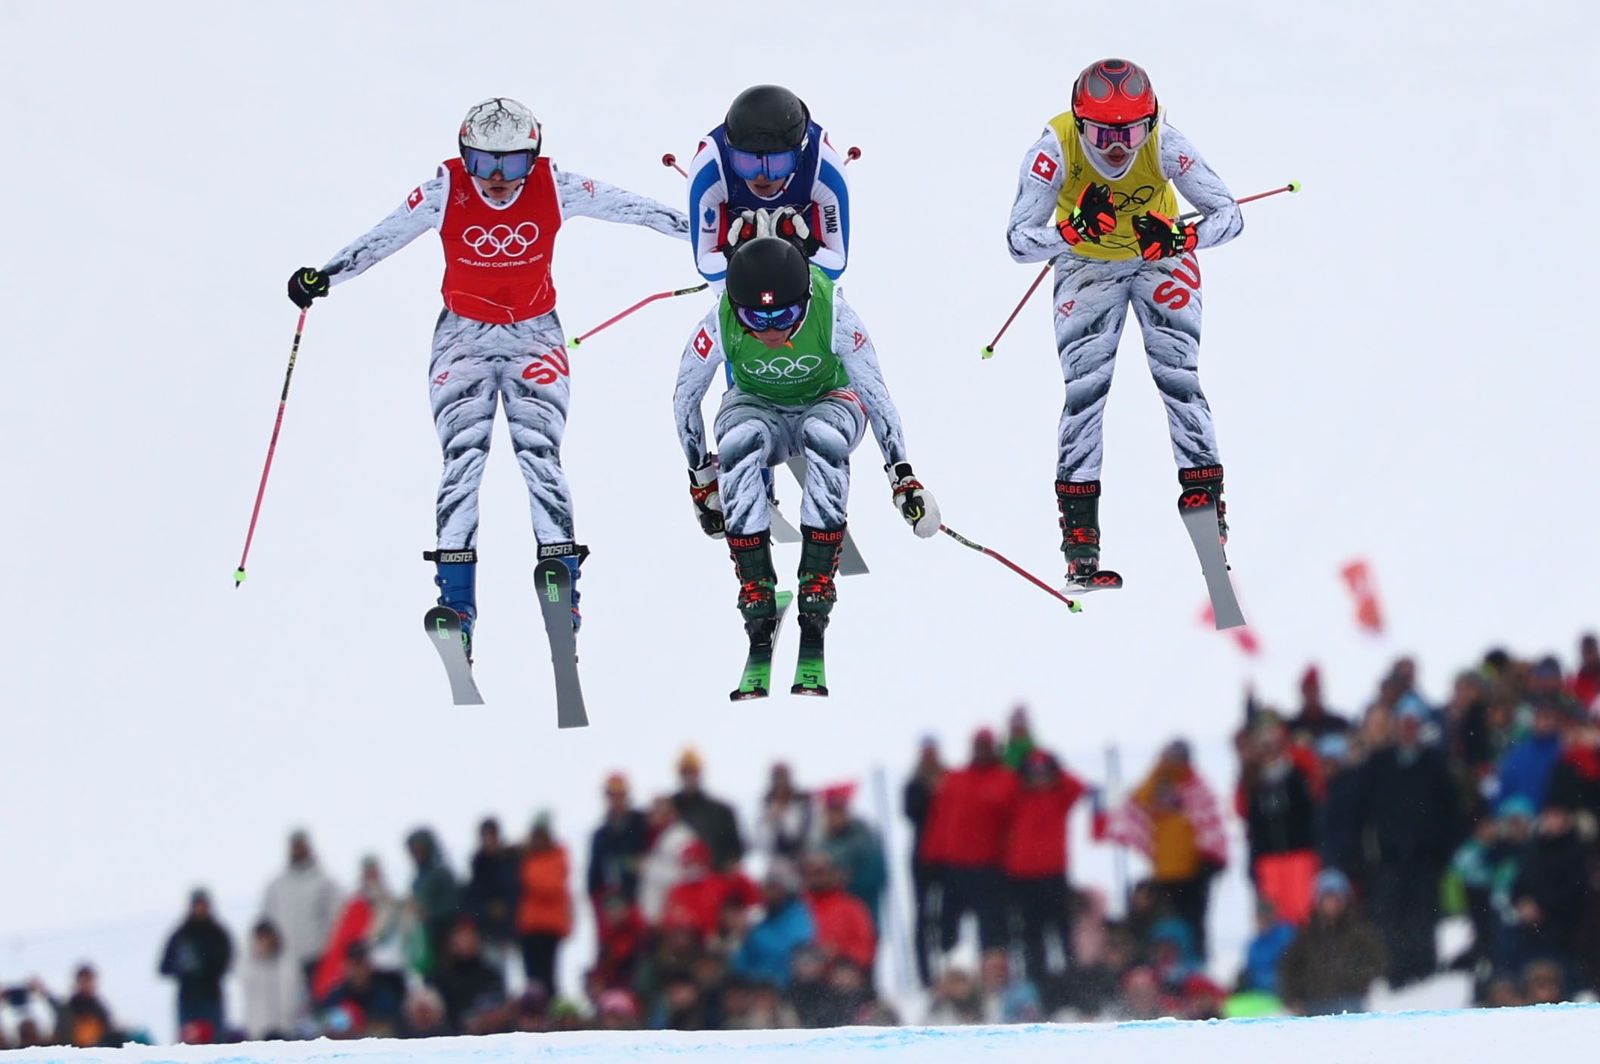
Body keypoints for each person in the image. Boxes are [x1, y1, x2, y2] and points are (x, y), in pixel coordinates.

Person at [285, 97, 688, 650]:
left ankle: (561, 584)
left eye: (514, 164)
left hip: (534, 335)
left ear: (535, 156)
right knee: (463, 459)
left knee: (539, 454)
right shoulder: (443, 192)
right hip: (462, 338)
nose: (497, 179)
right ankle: (456, 604)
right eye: (483, 163)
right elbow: (382, 238)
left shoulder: (557, 187)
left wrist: (711, 239)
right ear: (462, 155)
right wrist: (324, 275)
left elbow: (636, 209)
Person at [1004, 58, 1243, 588]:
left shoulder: (1165, 144)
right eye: (1102, 133)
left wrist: (1183, 237)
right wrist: (1071, 231)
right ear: (1078, 123)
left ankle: (1205, 501)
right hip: (1087, 267)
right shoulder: (1053, 151)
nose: (1117, 147)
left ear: (1151, 122)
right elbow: (1018, 240)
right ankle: (1080, 539)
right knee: (1086, 392)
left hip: (1160, 258)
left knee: (1179, 377)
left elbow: (1230, 214)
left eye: (1132, 131)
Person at [673, 237, 940, 681]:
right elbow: (686, 396)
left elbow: (875, 391)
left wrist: (903, 477)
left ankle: (818, 577)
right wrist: (702, 478)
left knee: (823, 435)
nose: (771, 330)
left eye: (786, 316)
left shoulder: (835, 312)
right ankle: (754, 583)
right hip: (758, 407)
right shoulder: (718, 321)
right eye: (755, 318)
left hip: (828, 399)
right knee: (738, 439)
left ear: (806, 300)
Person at [688, 84, 850, 284]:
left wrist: (806, 246)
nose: (761, 177)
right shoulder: (710, 167)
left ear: (798, 155)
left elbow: (836, 265)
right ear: (730, 153)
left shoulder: (823, 167)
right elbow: (706, 267)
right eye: (746, 163)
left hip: (804, 237)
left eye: (777, 164)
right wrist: (734, 251)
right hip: (735, 237)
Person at [1098, 739, 1228, 959]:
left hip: (1193, 874)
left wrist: (1209, 865)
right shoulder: (1158, 782)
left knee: (1194, 924)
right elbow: (1136, 800)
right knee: (1166, 925)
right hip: (1165, 873)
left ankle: (1196, 964)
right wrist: (1158, 768)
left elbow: (1210, 826)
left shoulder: (1196, 786)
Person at [1003, 749, 1089, 999]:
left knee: (1062, 933)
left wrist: (1056, 767)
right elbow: (1003, 790)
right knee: (1031, 937)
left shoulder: (1060, 795)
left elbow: (1078, 786)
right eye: (1034, 772)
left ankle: (1072, 986)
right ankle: (1038, 988)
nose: (1039, 778)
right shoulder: (1017, 797)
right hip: (1023, 879)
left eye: (1044, 772)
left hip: (1054, 877)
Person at [1278, 870, 1386, 1016]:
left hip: (1350, 1001)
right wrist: (1293, 998)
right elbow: (1289, 969)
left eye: (1336, 898)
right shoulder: (1306, 935)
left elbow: (1376, 962)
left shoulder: (1359, 933)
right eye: (1327, 898)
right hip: (1313, 1004)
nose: (1331, 904)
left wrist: (1354, 977)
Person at [261, 829, 341, 988]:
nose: (297, 850)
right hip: (286, 964)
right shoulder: (277, 886)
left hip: (318, 960)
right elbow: (267, 921)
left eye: (301, 845)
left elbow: (337, 919)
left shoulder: (325, 882)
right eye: (294, 846)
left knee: (320, 1009)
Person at [157, 889, 233, 1036]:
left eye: (203, 905)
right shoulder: (181, 934)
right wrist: (183, 968)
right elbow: (164, 967)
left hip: (211, 997)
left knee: (215, 1046)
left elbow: (226, 963)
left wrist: (206, 965)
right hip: (188, 999)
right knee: (189, 1049)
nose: (200, 909)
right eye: (198, 905)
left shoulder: (217, 933)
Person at [514, 814, 573, 997]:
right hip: (529, 925)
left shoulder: (556, 857)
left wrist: (527, 871)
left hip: (549, 926)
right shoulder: (528, 857)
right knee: (532, 977)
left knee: (547, 976)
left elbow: (549, 886)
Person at [671, 748, 746, 870]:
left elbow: (736, 850)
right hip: (677, 879)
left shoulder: (721, 812)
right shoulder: (668, 810)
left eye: (693, 772)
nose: (689, 777)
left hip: (714, 878)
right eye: (685, 772)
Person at [588, 773, 650, 910]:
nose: (616, 800)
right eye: (612, 795)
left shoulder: (642, 823)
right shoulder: (601, 836)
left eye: (620, 795)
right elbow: (594, 881)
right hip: (615, 909)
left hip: (646, 901)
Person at [464, 817, 521, 968]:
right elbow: (473, 898)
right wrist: (486, 910)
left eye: (491, 835)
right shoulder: (479, 864)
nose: (488, 840)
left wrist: (505, 908)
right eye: (485, 835)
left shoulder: (510, 859)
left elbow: (516, 891)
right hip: (487, 931)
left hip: (512, 928)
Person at [239, 919, 304, 1040]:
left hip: (286, 1029)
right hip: (258, 1032)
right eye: (261, 938)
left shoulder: (287, 963)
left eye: (268, 937)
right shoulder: (249, 964)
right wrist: (259, 956)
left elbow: (296, 993)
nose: (265, 942)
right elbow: (245, 981)